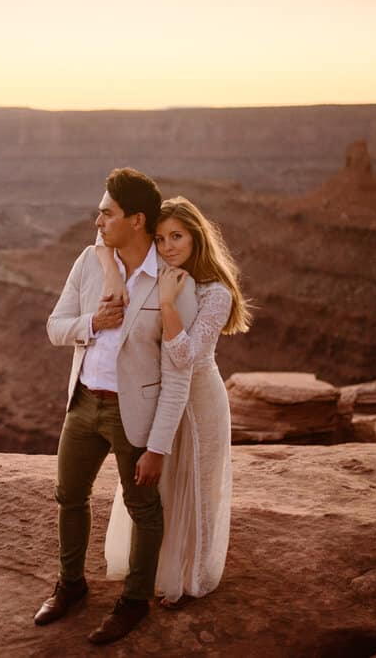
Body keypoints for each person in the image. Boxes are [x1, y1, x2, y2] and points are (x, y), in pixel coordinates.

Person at [36, 168, 198, 645]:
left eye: (107, 212)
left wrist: (159, 445)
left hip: (137, 414)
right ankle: (71, 586)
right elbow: (54, 326)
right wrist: (92, 321)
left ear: (137, 219)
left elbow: (178, 372)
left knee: (143, 505)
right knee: (69, 495)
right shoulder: (90, 261)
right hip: (84, 402)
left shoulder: (173, 284)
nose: (98, 219)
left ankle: (134, 601)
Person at [99, 195, 251, 608]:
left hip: (201, 403)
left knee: (199, 488)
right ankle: (155, 570)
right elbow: (106, 243)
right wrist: (108, 261)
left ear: (196, 237)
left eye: (177, 237)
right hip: (161, 399)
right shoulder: (161, 271)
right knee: (162, 487)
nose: (167, 247)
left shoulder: (215, 293)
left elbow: (185, 356)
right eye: (161, 238)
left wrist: (167, 303)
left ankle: (193, 577)